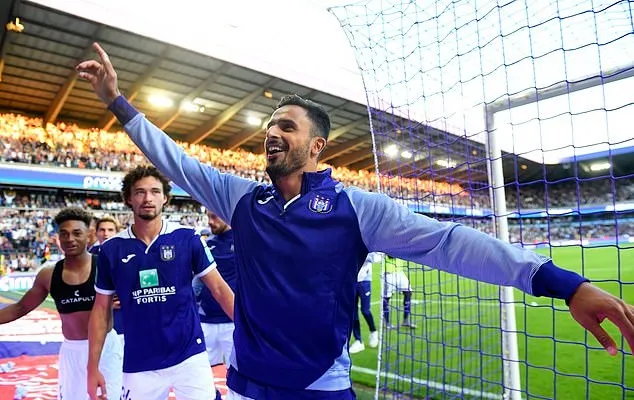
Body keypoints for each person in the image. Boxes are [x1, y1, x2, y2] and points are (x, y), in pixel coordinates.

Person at [77, 43, 634, 400]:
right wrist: (117, 102)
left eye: (287, 126)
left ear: (316, 146)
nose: (273, 132)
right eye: (271, 124)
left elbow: (450, 243)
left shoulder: (356, 207)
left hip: (322, 386)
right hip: (247, 385)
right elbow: (176, 159)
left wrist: (566, 285)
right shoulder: (244, 199)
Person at [86, 165, 235, 400]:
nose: (148, 198)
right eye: (140, 192)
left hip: (189, 355)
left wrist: (250, 329)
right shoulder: (111, 250)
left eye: (155, 191)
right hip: (139, 360)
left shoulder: (187, 238)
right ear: (128, 198)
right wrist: (92, 367)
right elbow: (101, 309)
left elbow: (218, 288)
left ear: (165, 198)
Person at [0, 207, 123, 400]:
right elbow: (21, 307)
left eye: (76, 233)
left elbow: (136, 294)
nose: (70, 239)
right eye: (64, 234)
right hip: (72, 351)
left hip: (105, 348)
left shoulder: (105, 267)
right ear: (58, 237)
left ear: (88, 236)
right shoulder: (48, 274)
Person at [193, 210, 237, 367]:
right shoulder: (206, 244)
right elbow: (196, 280)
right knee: (199, 372)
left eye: (214, 216)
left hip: (233, 321)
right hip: (206, 319)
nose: (210, 221)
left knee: (238, 372)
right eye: (207, 216)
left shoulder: (243, 242)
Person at [89, 216, 125, 341]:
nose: (106, 234)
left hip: (124, 319)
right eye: (102, 230)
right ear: (96, 233)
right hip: (99, 319)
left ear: (117, 232)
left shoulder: (128, 252)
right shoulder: (91, 254)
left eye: (110, 230)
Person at [349, 253, 379, 354]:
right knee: (353, 313)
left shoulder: (366, 242)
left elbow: (375, 258)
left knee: (365, 311)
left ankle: (373, 331)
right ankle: (358, 341)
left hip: (364, 280)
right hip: (351, 281)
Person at [382, 254, 416, 330]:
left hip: (400, 272)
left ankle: (405, 320)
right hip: (388, 274)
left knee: (408, 292)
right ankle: (386, 323)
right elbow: (391, 255)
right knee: (386, 298)